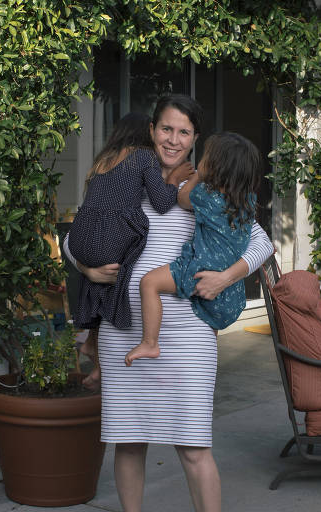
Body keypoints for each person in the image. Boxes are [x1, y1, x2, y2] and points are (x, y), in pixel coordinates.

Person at [64, 94, 273, 512]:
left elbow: (261, 242)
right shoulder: (125, 174)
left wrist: (225, 277)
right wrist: (86, 270)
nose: (173, 139)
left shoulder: (205, 186)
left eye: (184, 132)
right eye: (166, 129)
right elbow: (73, 238)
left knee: (193, 446)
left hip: (188, 334)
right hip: (124, 334)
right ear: (152, 130)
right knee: (128, 442)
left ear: (195, 138)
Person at [67, 112, 192, 386]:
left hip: (81, 236)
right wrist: (175, 179)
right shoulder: (143, 157)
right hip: (107, 239)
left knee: (105, 277)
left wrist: (85, 267)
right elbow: (160, 202)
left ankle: (91, 343)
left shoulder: (103, 161)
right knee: (125, 262)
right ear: (147, 134)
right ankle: (94, 345)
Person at [126, 132, 260, 365]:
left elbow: (182, 198)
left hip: (200, 270)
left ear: (214, 167)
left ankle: (149, 342)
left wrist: (197, 177)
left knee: (149, 283)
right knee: (209, 330)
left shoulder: (206, 197)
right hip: (233, 297)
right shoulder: (247, 201)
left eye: (206, 157)